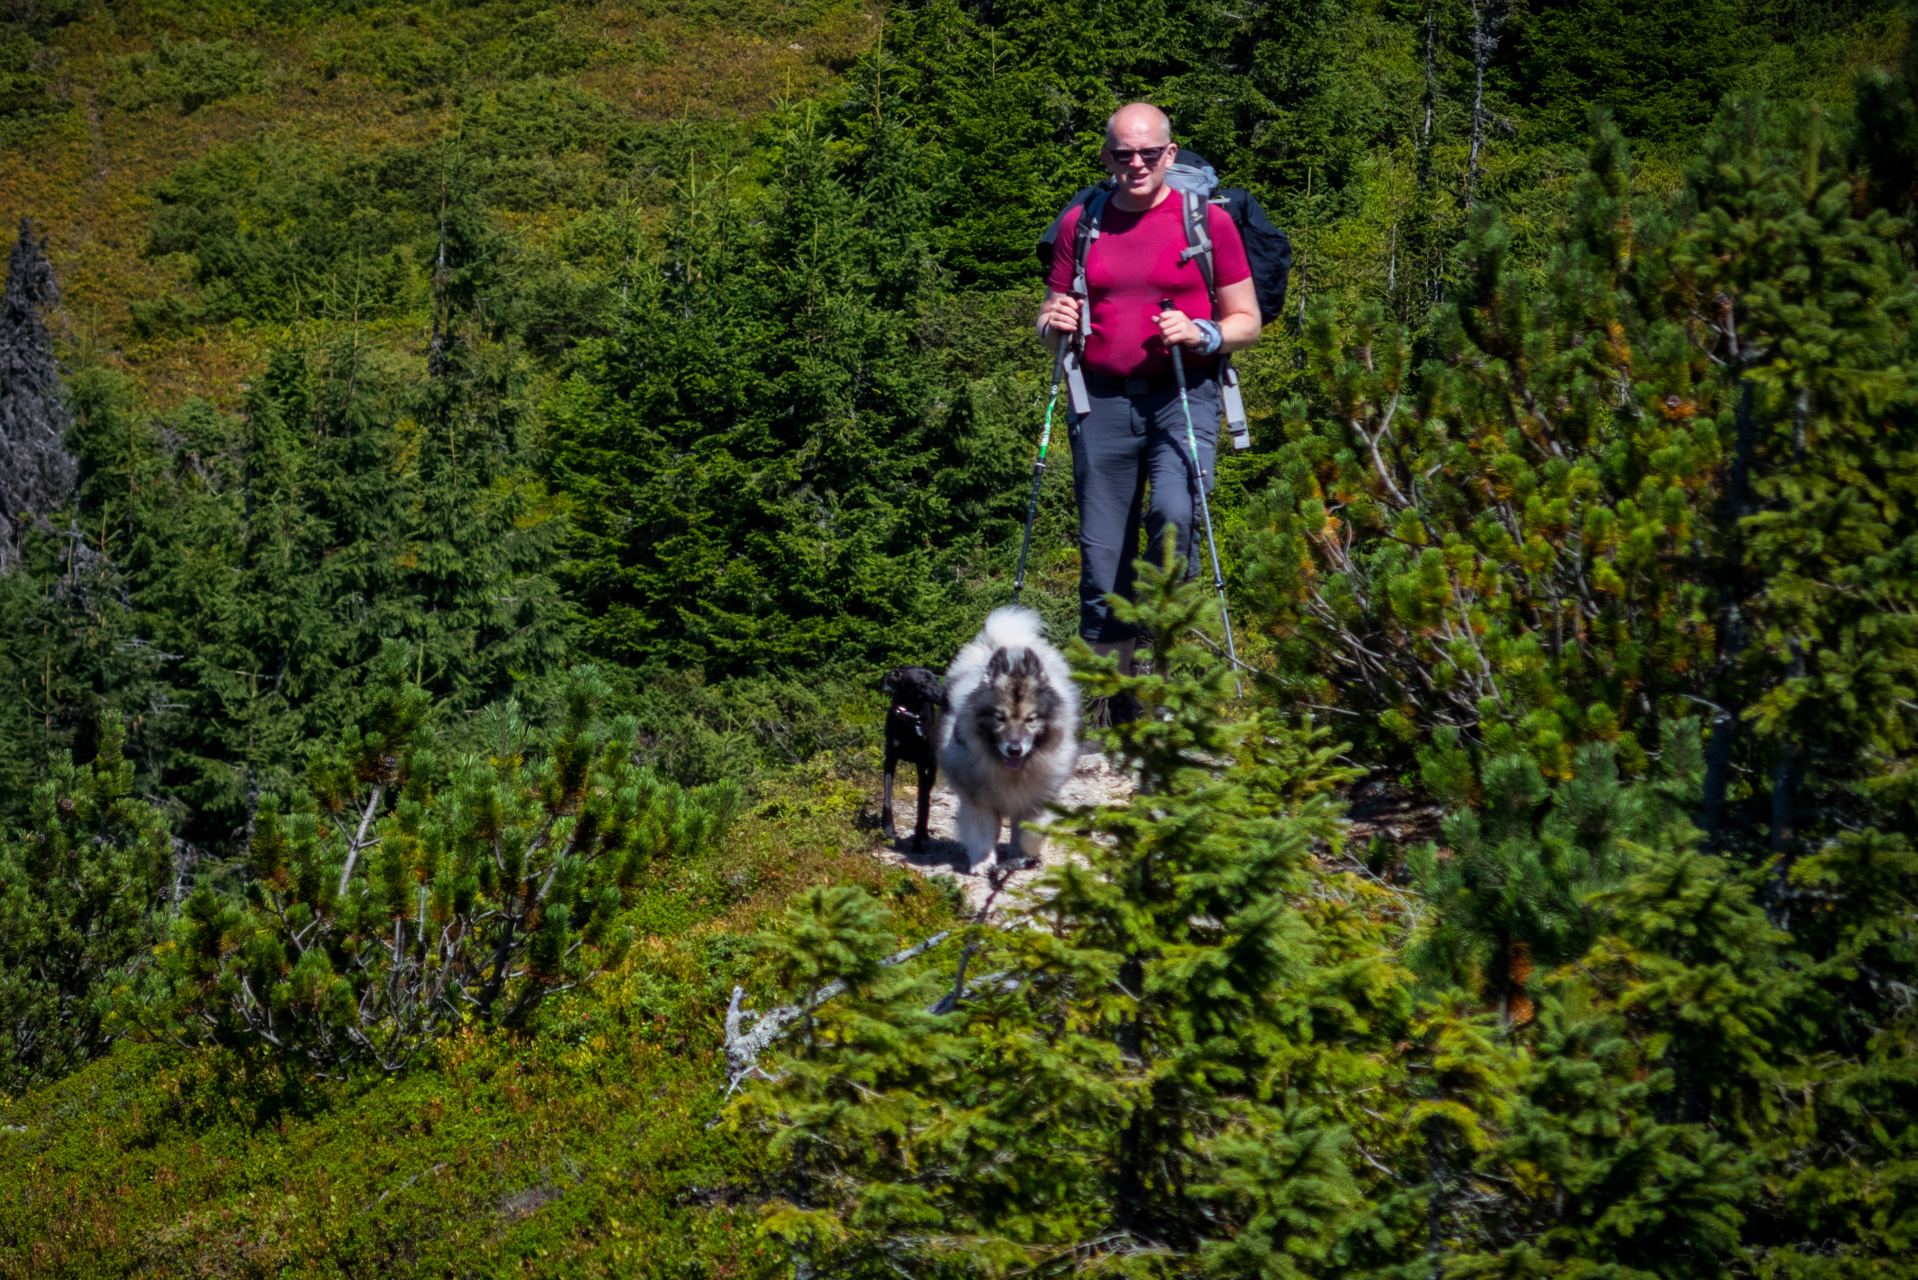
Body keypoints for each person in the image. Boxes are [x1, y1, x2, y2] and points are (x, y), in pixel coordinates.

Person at [1037, 103, 1261, 680]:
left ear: (1170, 153)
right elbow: (1051, 317)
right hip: (1101, 401)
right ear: (1107, 156)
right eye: (1122, 153)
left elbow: (1247, 321)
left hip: (1183, 394)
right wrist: (1050, 324)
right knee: (1103, 555)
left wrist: (1202, 332)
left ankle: (1168, 685)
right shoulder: (1080, 224)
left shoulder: (1208, 224)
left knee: (1174, 516)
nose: (1135, 164)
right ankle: (1117, 696)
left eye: (1148, 153)